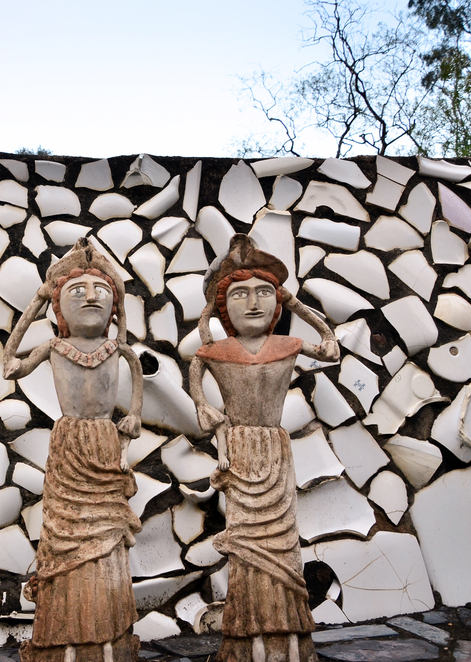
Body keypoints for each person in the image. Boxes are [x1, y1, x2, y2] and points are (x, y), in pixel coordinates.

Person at [189, 234, 338, 662]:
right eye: (239, 295)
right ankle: (245, 643)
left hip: (275, 450)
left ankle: (290, 643)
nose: (254, 303)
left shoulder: (287, 345)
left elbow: (329, 347)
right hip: (239, 451)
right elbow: (199, 395)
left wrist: (292, 303)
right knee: (247, 550)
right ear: (222, 308)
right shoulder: (213, 352)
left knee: (283, 547)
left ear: (276, 300)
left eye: (264, 294)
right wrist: (203, 408)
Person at [4, 238, 144, 662]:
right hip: (67, 447)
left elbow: (135, 393)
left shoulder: (119, 350)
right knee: (65, 541)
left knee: (104, 540)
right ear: (59, 308)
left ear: (115, 308)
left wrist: (133, 418)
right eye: (75, 290)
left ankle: (108, 640)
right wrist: (37, 298)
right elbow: (10, 362)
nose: (89, 296)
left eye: (100, 290)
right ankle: (63, 641)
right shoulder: (54, 348)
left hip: (105, 445)